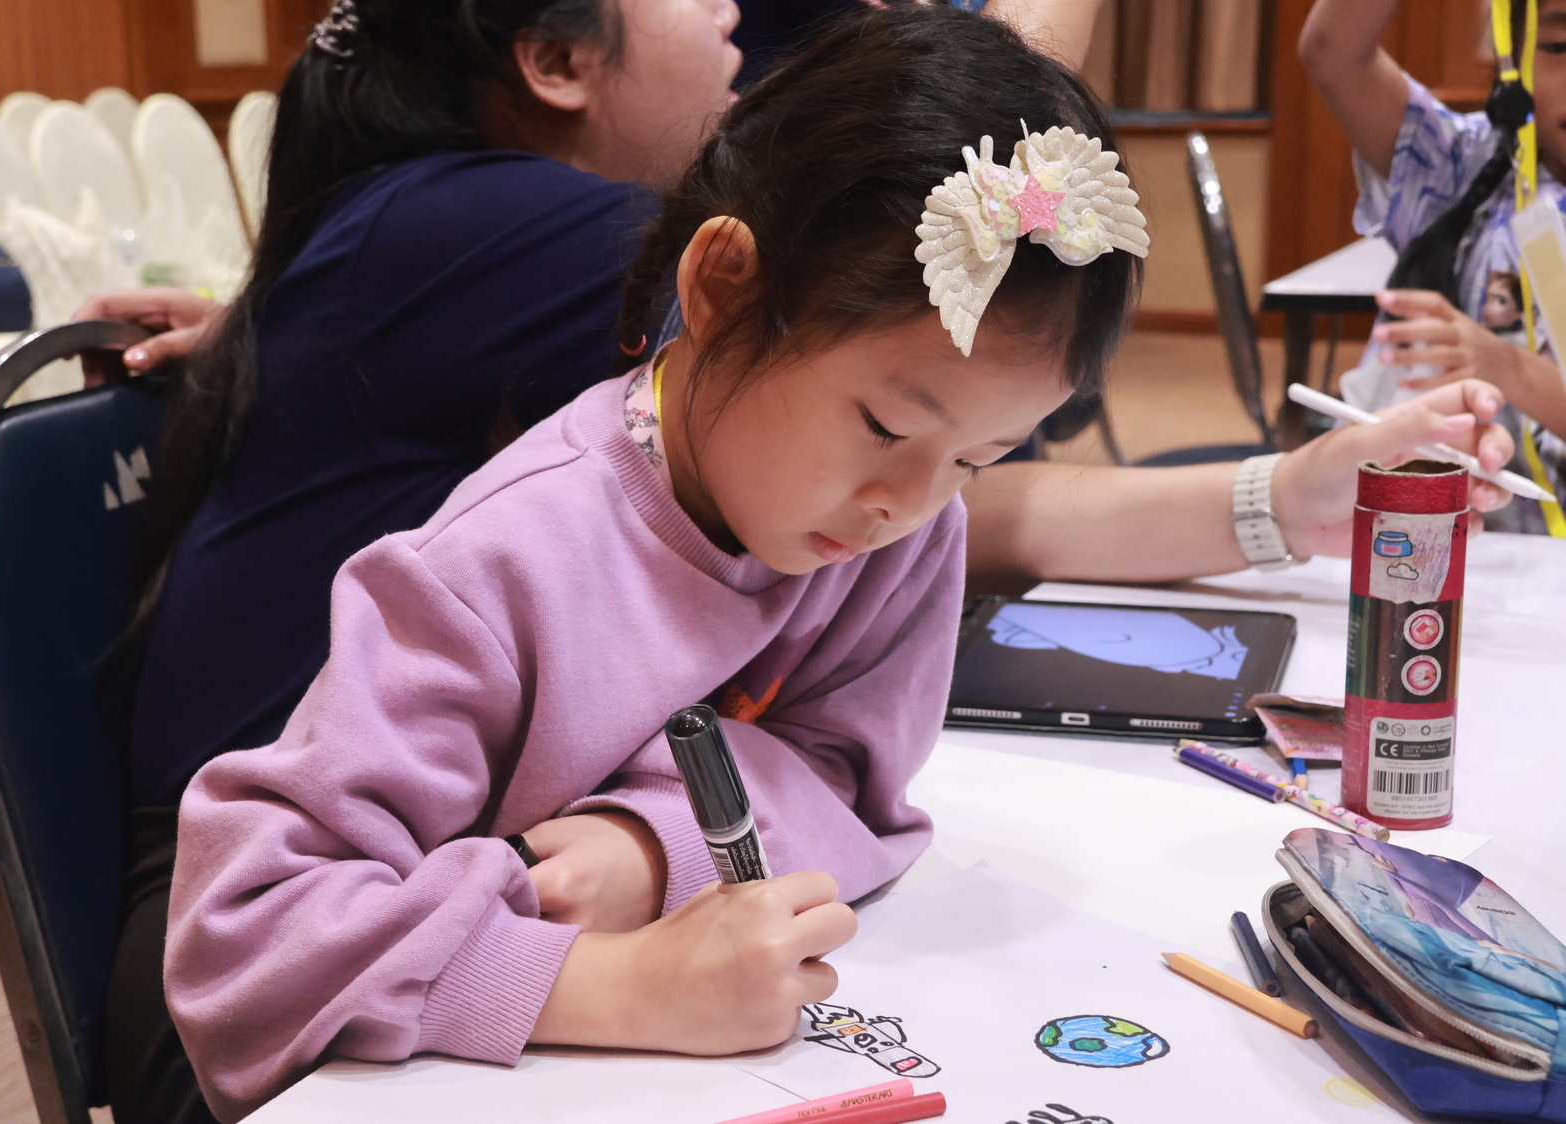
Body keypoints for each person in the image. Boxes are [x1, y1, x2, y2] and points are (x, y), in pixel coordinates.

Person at [165, 8, 1145, 1118]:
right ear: (721, 288)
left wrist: (651, 842)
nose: (906, 505)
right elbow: (249, 942)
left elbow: (849, 772)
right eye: (883, 425)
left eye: (976, 458)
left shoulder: (902, 529)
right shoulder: (497, 566)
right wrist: (616, 983)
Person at [95, 2, 739, 1123]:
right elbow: (894, 400)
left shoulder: (442, 222)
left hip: (399, 896)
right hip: (282, 958)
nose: (731, 8)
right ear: (555, 61)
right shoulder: (495, 221)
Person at [1298, 0, 1566, 533]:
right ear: (1512, 56)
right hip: (1418, 534)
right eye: (1559, 47)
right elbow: (1332, 51)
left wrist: (1506, 366)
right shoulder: (1460, 164)